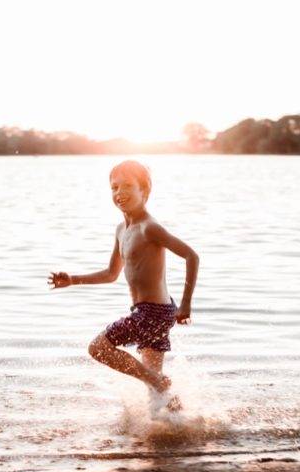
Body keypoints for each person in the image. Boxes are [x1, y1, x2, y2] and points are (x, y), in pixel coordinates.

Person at [49, 160, 199, 411]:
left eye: (128, 185)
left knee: (98, 348)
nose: (120, 193)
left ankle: (158, 383)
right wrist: (73, 280)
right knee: (155, 396)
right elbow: (111, 274)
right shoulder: (121, 230)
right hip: (156, 312)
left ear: (145, 191)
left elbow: (191, 256)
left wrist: (186, 304)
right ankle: (182, 426)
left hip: (153, 312)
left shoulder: (149, 228)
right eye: (114, 187)